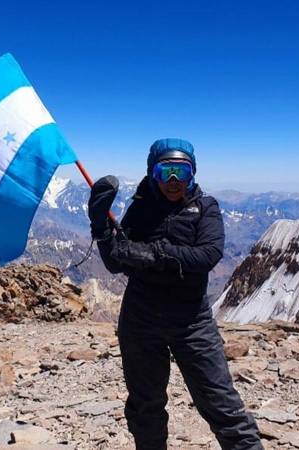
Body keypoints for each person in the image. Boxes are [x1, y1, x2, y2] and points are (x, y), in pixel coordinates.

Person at [87, 138, 263, 450]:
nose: (172, 181)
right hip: (141, 322)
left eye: (180, 172)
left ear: (192, 174)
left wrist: (154, 254)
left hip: (192, 323)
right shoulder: (140, 209)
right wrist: (101, 227)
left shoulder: (206, 208)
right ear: (152, 173)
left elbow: (208, 255)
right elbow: (116, 261)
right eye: (165, 171)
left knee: (223, 406)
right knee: (145, 406)